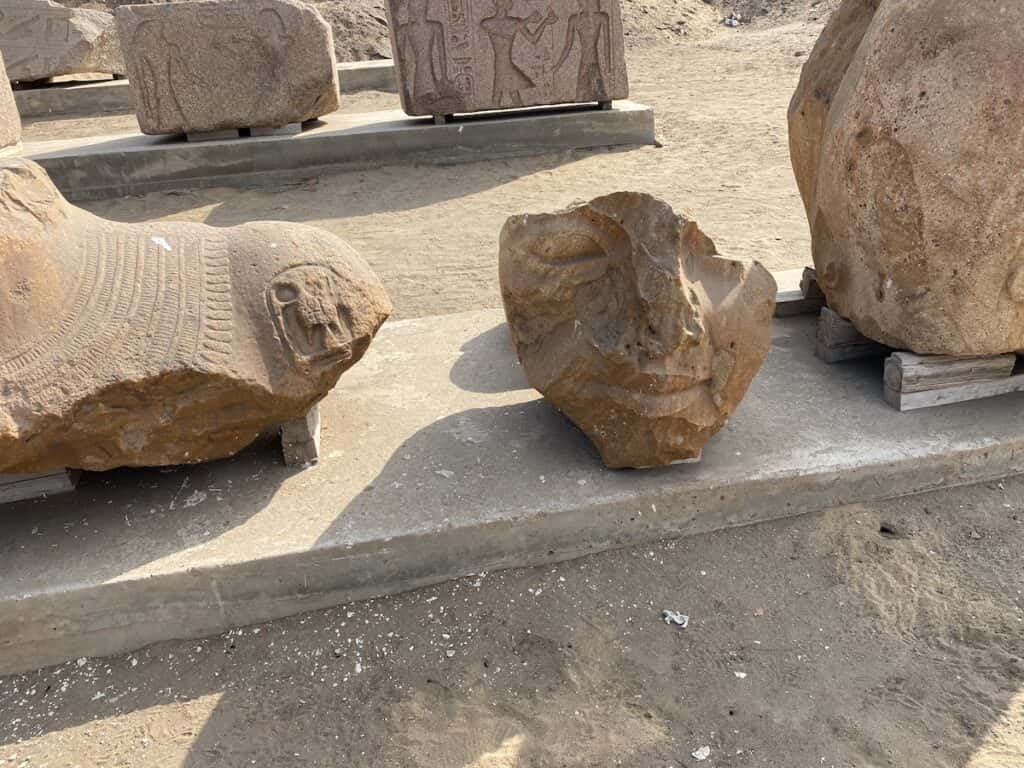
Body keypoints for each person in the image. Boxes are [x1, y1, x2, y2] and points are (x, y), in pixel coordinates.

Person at [481, 0, 557, 107]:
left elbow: (533, 39)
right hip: (501, 66)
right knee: (508, 97)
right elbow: (503, 32)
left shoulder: (515, 22)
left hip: (505, 65)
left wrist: (545, 23)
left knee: (500, 97)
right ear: (499, 2)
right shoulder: (487, 23)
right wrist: (527, 20)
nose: (510, 2)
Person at [554, 0, 611, 102]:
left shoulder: (600, 17)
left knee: (588, 92)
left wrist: (608, 67)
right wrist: (557, 66)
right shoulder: (576, 19)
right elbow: (568, 46)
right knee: (585, 93)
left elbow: (607, 44)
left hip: (589, 62)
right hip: (589, 62)